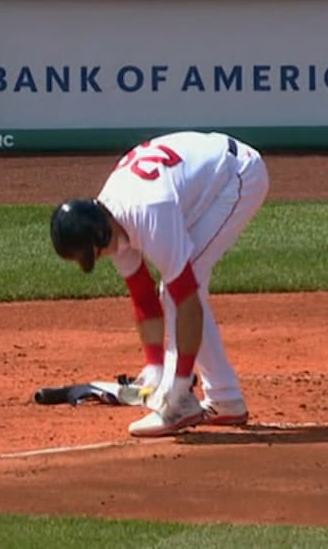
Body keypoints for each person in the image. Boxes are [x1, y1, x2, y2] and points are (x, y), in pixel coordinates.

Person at [49, 130, 269, 438]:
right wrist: (154, 368)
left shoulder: (147, 212)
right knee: (175, 287)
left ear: (99, 236)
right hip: (198, 185)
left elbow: (185, 298)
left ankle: (189, 402)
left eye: (94, 254)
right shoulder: (110, 220)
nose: (98, 259)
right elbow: (142, 294)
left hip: (237, 175)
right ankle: (225, 399)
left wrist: (177, 386)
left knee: (181, 288)